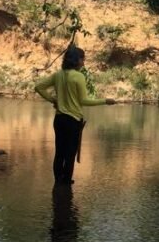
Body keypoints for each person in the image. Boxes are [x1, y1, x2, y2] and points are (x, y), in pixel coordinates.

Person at [35, 46, 116, 185]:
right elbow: (84, 101)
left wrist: (53, 100)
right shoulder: (79, 76)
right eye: (82, 59)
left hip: (59, 120)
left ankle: (58, 182)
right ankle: (66, 183)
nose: (83, 63)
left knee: (59, 152)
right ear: (76, 60)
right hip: (73, 121)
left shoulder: (58, 75)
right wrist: (105, 101)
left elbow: (39, 87)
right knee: (70, 154)